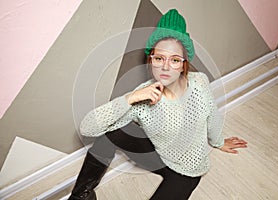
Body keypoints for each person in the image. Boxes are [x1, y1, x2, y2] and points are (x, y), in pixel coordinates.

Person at [68, 9, 247, 200]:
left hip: (185, 171)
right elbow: (87, 128)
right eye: (159, 58)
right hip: (159, 156)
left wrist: (219, 142)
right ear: (151, 59)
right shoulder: (143, 95)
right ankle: (81, 196)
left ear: (184, 64)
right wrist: (129, 98)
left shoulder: (200, 83)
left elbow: (213, 115)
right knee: (112, 131)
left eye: (175, 60)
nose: (165, 67)